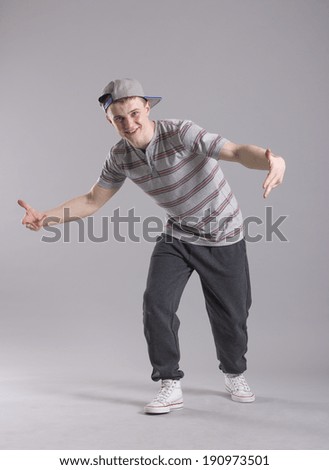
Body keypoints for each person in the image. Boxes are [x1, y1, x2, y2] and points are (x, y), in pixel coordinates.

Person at [18, 78, 286, 415]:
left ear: (147, 108)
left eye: (134, 113)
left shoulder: (182, 133)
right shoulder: (119, 157)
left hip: (224, 237)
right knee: (155, 303)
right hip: (179, 236)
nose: (129, 124)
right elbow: (92, 199)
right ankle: (169, 383)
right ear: (109, 121)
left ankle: (234, 372)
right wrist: (47, 217)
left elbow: (234, 151)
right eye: (119, 118)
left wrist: (272, 161)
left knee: (232, 317)